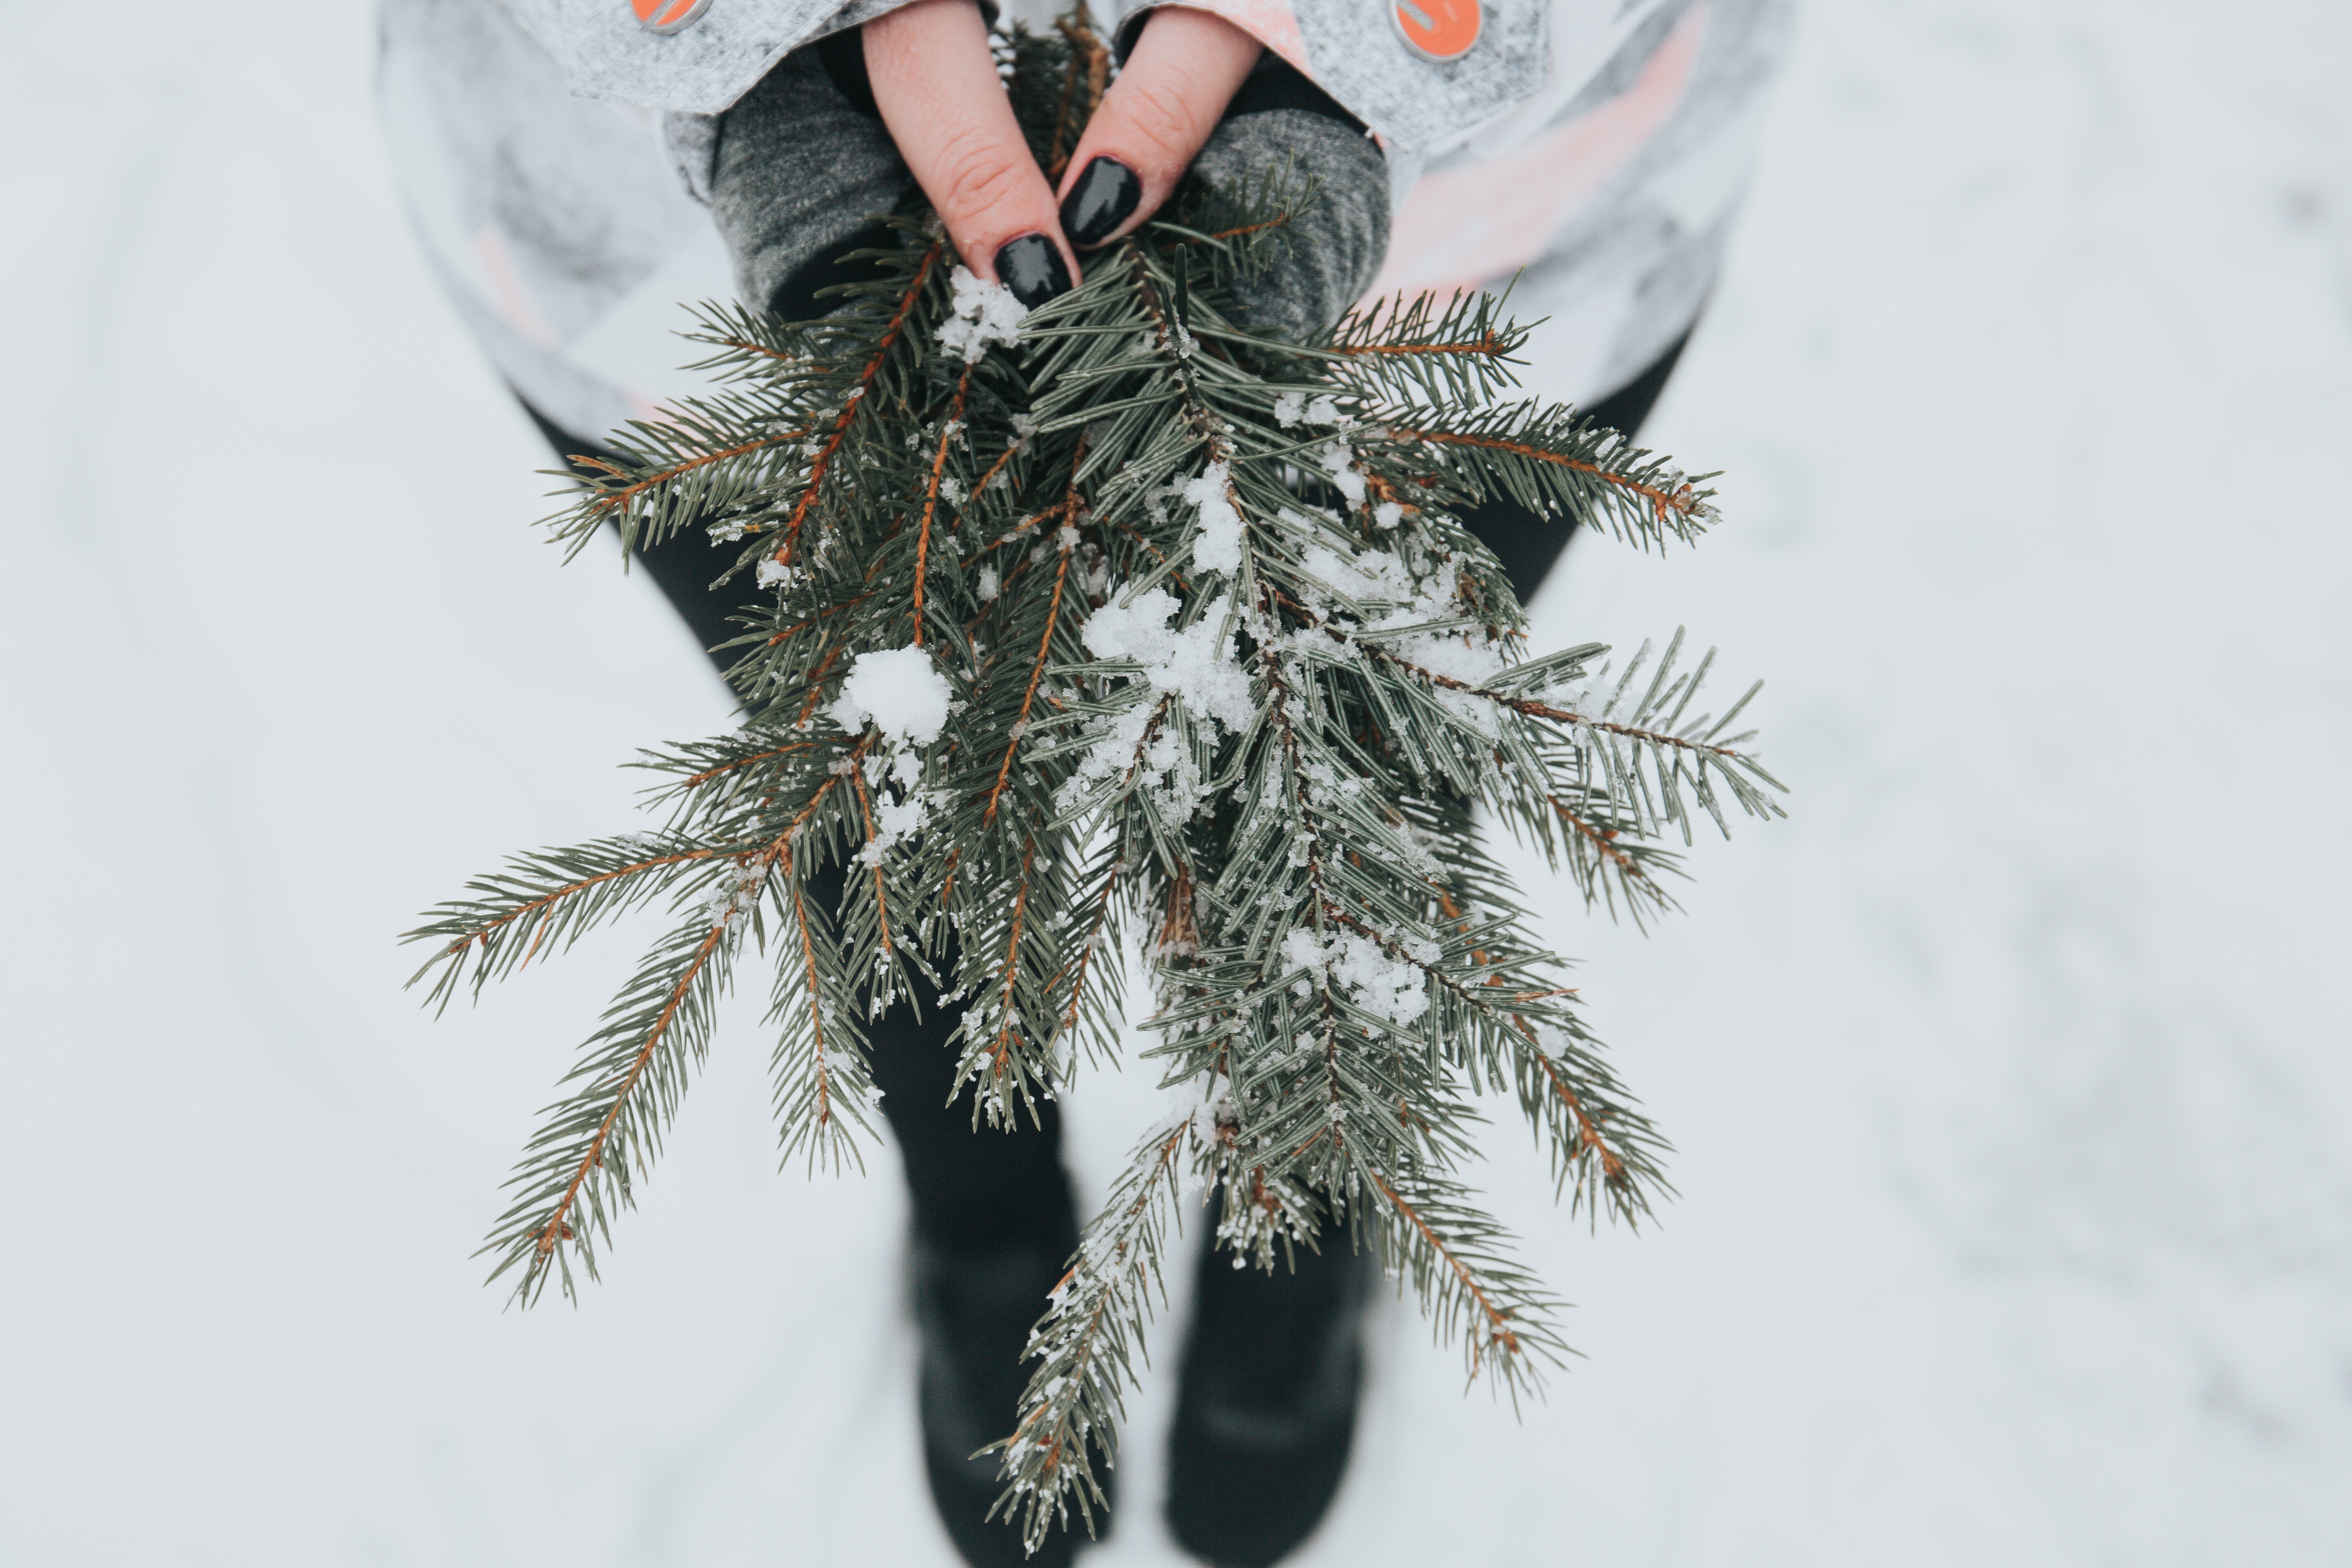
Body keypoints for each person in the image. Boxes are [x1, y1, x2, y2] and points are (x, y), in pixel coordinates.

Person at [377, 0, 1788, 1563]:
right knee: (884, 762)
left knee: (1352, 766)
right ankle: (982, 1216)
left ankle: (1293, 1185)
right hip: (654, 255)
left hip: (1499, 237)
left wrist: (1384, 29)